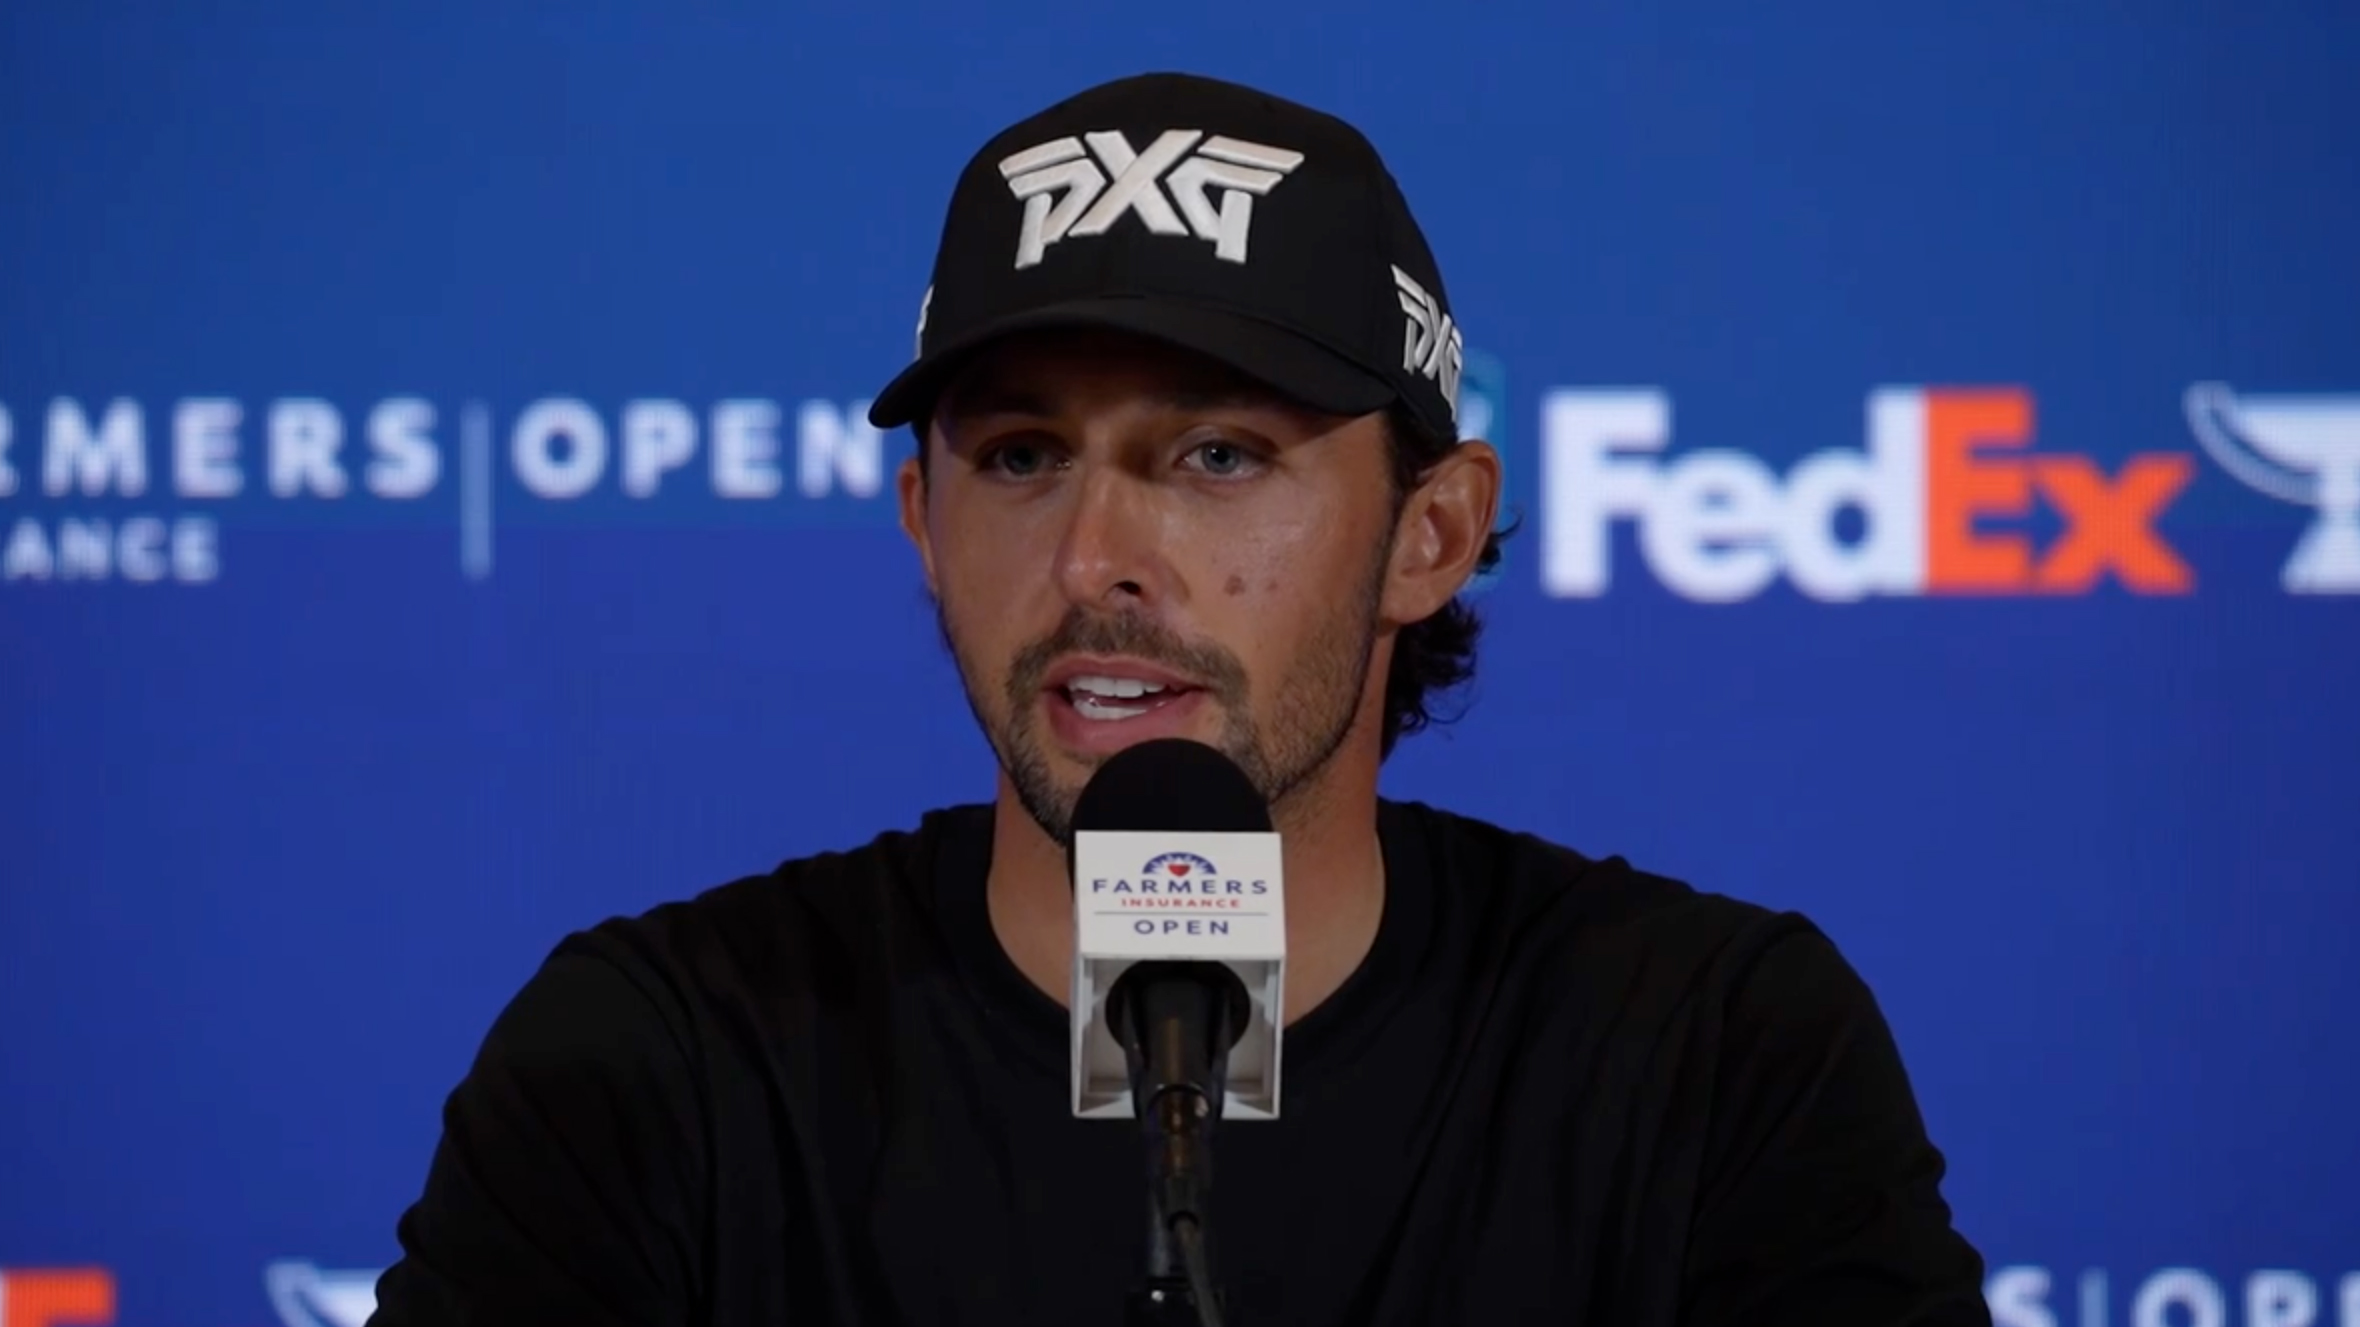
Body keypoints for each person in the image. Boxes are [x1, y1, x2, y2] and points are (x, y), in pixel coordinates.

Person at [367, 71, 1992, 1327]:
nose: (1093, 559)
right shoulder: (654, 1063)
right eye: (1019, 458)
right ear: (924, 527)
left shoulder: (1715, 1058)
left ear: (1433, 531)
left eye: (1216, 457)